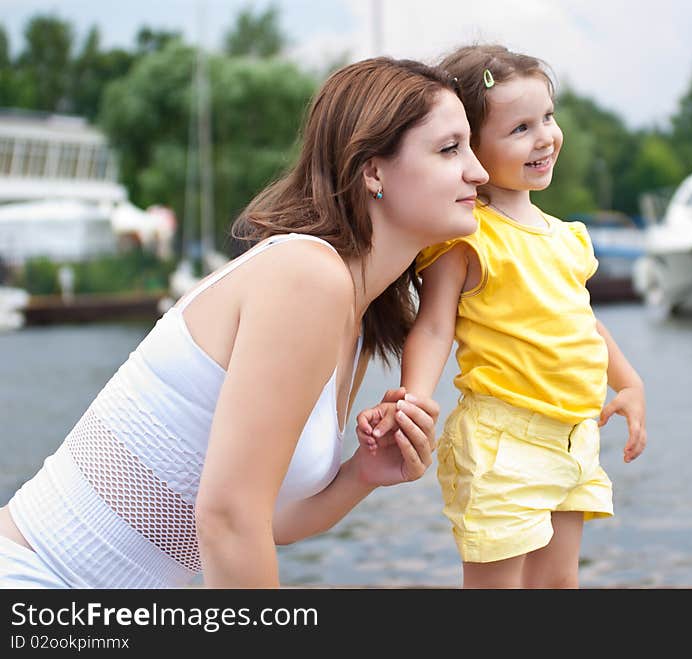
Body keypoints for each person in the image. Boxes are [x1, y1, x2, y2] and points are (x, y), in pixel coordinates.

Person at [0, 56, 489, 588]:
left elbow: (265, 521)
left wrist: (362, 475)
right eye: (449, 149)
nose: (478, 171)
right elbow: (227, 520)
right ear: (373, 170)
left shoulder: (357, 317)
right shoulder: (308, 277)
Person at [358, 45, 647, 588]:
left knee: (558, 584)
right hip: (504, 439)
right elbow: (436, 324)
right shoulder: (471, 235)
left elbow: (580, 322)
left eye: (548, 117)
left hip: (573, 435)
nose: (545, 137)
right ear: (472, 147)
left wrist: (628, 382)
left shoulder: (565, 236)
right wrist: (414, 397)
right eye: (520, 128)